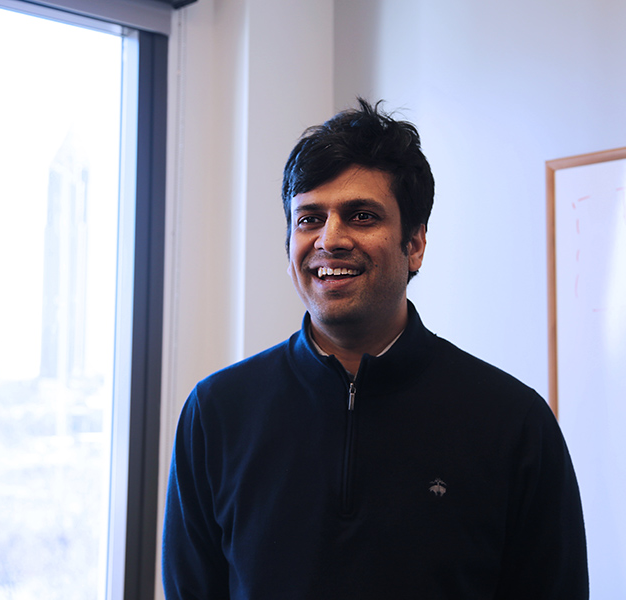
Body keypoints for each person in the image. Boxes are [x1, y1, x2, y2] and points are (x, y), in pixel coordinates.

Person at [162, 99, 589, 599]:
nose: (330, 239)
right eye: (309, 219)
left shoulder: (514, 422)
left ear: (415, 245)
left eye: (361, 216)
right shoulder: (216, 413)